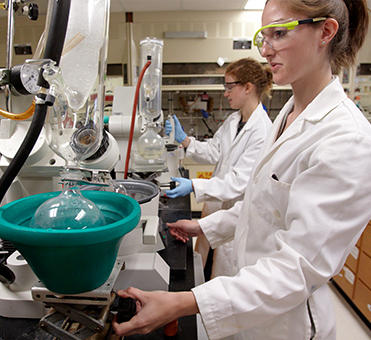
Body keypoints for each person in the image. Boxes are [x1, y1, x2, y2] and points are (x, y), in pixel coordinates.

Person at [112, 1, 371, 339]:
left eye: (278, 33)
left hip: (286, 325)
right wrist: (203, 225)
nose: (266, 50)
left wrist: (182, 303)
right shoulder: (289, 115)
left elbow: (296, 269)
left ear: (325, 31)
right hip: (250, 299)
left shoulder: (346, 138)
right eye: (263, 36)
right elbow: (260, 204)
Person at [164, 58, 273, 278]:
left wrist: (194, 185)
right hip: (215, 209)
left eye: (230, 86)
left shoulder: (262, 131)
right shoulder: (234, 120)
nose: (225, 93)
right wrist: (185, 140)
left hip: (235, 215)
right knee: (201, 268)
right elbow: (214, 151)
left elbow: (238, 182)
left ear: (248, 87)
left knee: (223, 275)